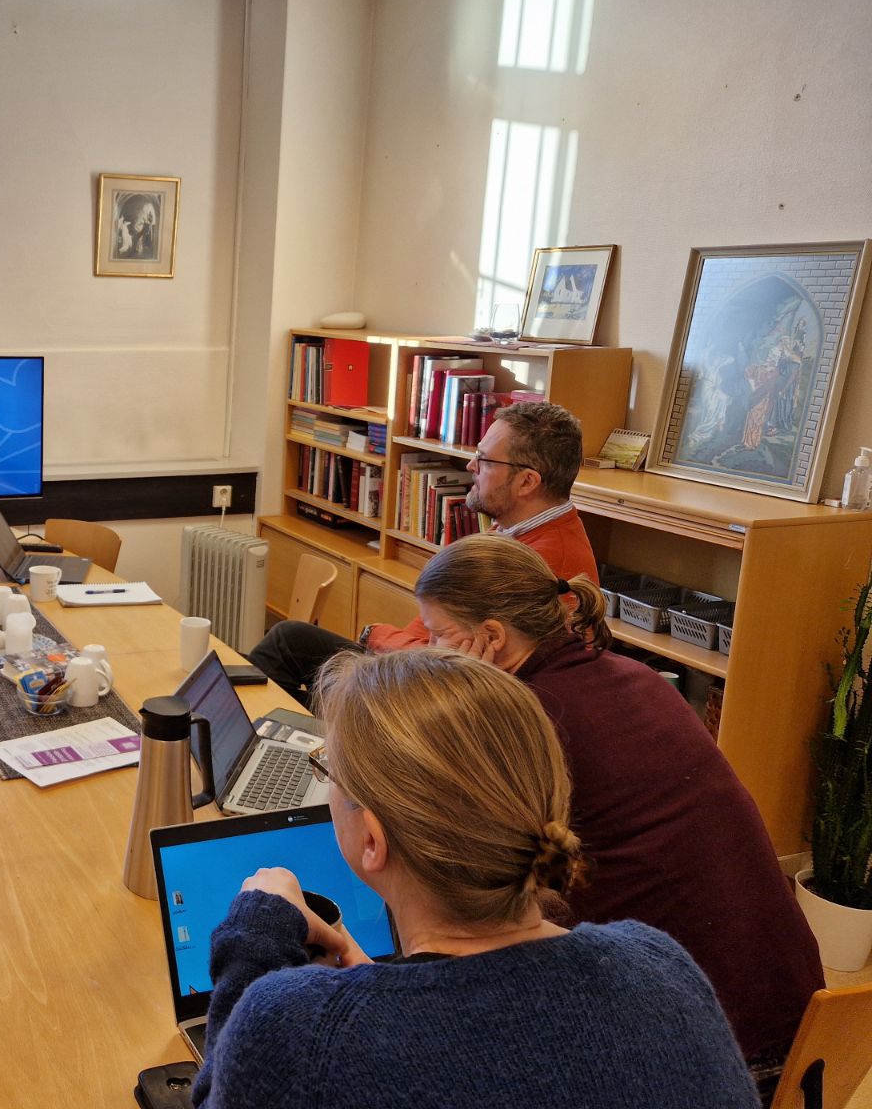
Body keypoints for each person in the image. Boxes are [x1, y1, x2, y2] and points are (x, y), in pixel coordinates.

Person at [194, 647, 758, 1108]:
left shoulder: (298, 1032)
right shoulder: (660, 967)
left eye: (330, 774)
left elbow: (220, 1091)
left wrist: (255, 938)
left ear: (372, 840)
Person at [412, 532, 822, 1093]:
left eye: (437, 636)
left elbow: (534, 884)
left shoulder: (535, 719)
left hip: (717, 1049)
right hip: (794, 1011)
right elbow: (583, 846)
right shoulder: (637, 678)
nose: (429, 650)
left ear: (491, 638)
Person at [249, 400, 599, 704]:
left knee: (286, 653)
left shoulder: (546, 564)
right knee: (287, 642)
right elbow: (433, 635)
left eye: (485, 459)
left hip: (442, 693)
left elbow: (448, 660)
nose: (471, 466)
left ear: (527, 482)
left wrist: (375, 636)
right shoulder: (515, 529)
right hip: (423, 668)